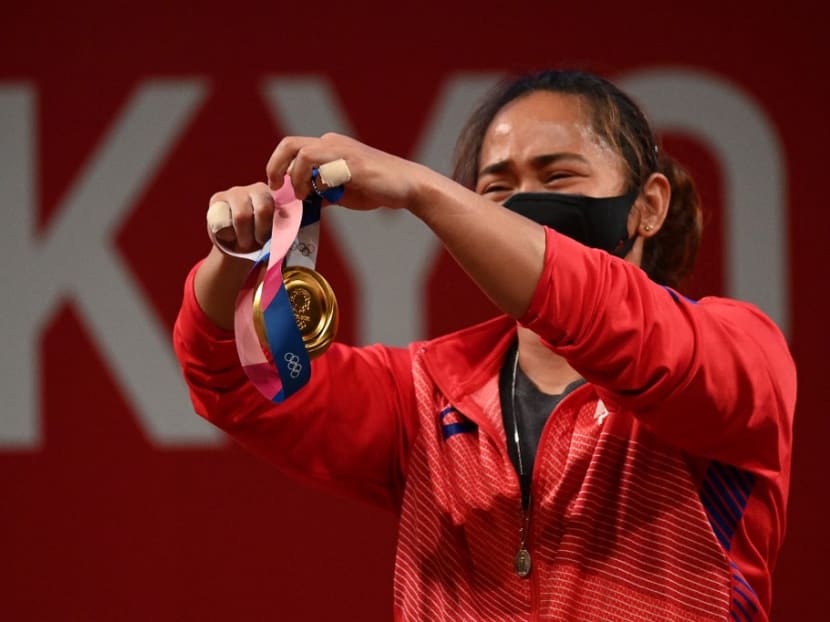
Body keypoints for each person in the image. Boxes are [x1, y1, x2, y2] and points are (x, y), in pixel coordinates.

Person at [173, 70, 796, 621]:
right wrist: (233, 256)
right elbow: (235, 379)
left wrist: (420, 190)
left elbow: (605, 311)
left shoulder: (741, 353)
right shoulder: (422, 392)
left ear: (648, 205)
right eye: (497, 188)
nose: (523, 202)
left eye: (558, 174)